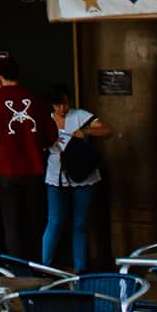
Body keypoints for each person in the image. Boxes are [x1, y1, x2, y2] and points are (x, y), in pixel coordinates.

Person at [0, 56, 54, 259]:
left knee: (12, 226)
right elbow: (51, 135)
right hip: (35, 170)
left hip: (8, 171)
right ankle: (36, 266)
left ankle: (17, 268)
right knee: (35, 224)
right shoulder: (35, 99)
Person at [41, 88, 109, 273]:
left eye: (65, 103)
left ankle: (80, 268)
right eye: (58, 105)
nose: (62, 108)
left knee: (80, 223)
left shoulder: (80, 116)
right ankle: (45, 266)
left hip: (82, 174)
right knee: (55, 221)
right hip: (56, 175)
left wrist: (86, 131)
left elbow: (106, 130)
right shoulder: (46, 120)